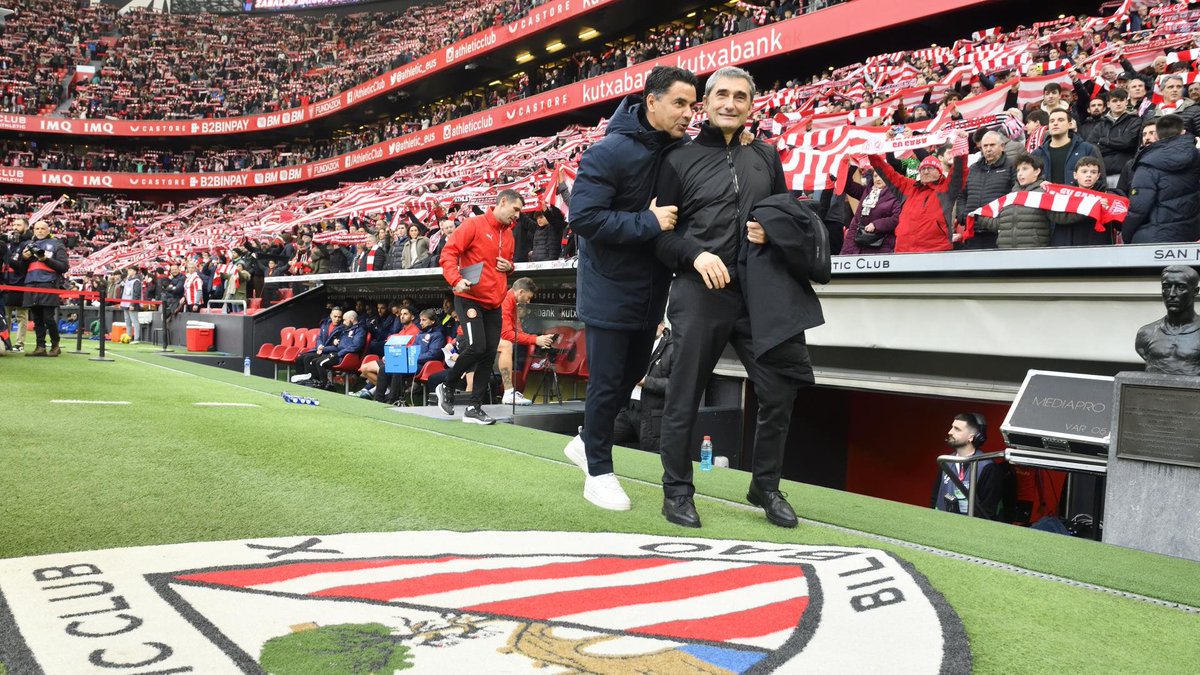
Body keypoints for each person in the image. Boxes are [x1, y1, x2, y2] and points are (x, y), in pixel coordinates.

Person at [653, 66, 822, 529]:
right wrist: (694, 255)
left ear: (752, 105)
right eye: (721, 95)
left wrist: (772, 230)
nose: (730, 103)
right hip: (698, 290)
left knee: (778, 391)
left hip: (760, 292)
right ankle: (677, 490)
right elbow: (660, 238)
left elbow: (787, 217)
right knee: (683, 394)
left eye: (740, 97)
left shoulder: (766, 157)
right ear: (704, 104)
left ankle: (765, 486)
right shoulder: (675, 160)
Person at [561, 65, 697, 511]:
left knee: (629, 374)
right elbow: (582, 218)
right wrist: (648, 221)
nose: (688, 114)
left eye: (692, 106)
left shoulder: (679, 150)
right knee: (606, 381)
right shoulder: (609, 152)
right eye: (679, 103)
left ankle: (585, 441)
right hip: (609, 288)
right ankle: (597, 470)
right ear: (651, 101)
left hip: (650, 289)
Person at [437, 189, 522, 424]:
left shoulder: (510, 236)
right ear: (502, 202)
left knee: (487, 355)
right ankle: (447, 385)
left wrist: (511, 268)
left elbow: (507, 265)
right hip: (469, 298)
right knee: (477, 347)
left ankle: (474, 408)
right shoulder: (473, 225)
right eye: (515, 210)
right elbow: (448, 254)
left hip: (494, 303)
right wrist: (456, 280)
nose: (517, 216)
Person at [866, 147, 966, 253]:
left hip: (936, 251)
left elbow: (958, 173)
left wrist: (961, 148)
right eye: (923, 168)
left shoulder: (946, 189)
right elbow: (888, 173)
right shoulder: (909, 187)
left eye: (930, 168)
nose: (926, 172)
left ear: (939, 172)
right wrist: (872, 155)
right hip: (904, 250)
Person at [1123, 114, 1200, 244]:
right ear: (1183, 132)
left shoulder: (1147, 163)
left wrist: (1126, 234)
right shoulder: (1196, 157)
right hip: (1191, 235)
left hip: (1155, 237)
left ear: (1157, 136)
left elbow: (1139, 208)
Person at [933, 413, 1011, 520]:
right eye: (952, 427)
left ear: (971, 437)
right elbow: (935, 498)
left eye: (957, 429)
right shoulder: (945, 461)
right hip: (940, 523)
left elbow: (988, 512)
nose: (950, 432)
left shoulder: (987, 467)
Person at [12, 220, 69, 357]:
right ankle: (40, 347)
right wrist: (24, 259)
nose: (40, 231)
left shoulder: (57, 244)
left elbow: (64, 267)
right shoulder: (28, 245)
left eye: (43, 228)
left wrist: (45, 260)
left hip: (48, 283)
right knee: (36, 318)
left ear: (48, 230)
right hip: (31, 283)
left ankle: (55, 345)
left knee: (48, 318)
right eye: (37, 228)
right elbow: (21, 270)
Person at [498, 277, 556, 406]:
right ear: (521, 292)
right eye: (528, 298)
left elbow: (518, 332)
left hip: (489, 339)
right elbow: (506, 334)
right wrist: (535, 340)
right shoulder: (505, 301)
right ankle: (508, 393)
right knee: (507, 344)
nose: (529, 302)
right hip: (478, 337)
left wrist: (541, 339)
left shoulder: (514, 303)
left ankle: (509, 392)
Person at [956, 130, 1016, 250]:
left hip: (997, 233)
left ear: (1002, 146)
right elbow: (962, 195)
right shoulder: (973, 169)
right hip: (973, 232)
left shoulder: (1012, 166)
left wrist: (1001, 220)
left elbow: (1015, 196)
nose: (988, 149)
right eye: (985, 146)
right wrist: (962, 215)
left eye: (992, 145)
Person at [1136, 265, 1200, 376]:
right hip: (1155, 392)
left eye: (1181, 287)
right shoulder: (1146, 333)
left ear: (1195, 291)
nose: (1172, 294)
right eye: (1166, 287)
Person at [1048, 156, 1114, 246]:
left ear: (1098, 176)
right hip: (1068, 248)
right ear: (1075, 175)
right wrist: (1091, 206)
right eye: (1084, 171)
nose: (1089, 175)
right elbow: (1056, 217)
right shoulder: (1064, 195)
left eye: (1093, 172)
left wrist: (1107, 207)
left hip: (1097, 248)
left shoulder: (1108, 196)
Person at [837, 164, 901, 255]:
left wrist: (876, 225)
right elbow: (846, 184)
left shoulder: (896, 195)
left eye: (882, 176)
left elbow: (897, 218)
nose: (878, 179)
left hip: (879, 245)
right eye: (875, 176)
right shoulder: (867, 191)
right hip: (855, 244)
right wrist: (854, 164)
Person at [993, 154, 1053, 249]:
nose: (1020, 173)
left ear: (1037, 171)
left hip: (1034, 253)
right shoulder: (1010, 197)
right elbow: (1001, 224)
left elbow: (1060, 217)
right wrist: (976, 216)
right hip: (1006, 253)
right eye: (1018, 170)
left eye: (1025, 169)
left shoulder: (1044, 193)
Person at [1031, 109, 1104, 187]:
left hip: (1079, 198)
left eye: (1060, 120)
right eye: (1052, 121)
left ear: (1070, 125)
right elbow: (1029, 182)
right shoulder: (1037, 154)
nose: (1055, 123)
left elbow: (1100, 181)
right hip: (1047, 198)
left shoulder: (1087, 149)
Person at [1087, 88, 1141, 189]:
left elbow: (1127, 142)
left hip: (1123, 174)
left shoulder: (1135, 121)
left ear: (1126, 102)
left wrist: (1103, 141)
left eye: (1121, 100)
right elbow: (1091, 147)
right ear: (1108, 104)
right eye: (1115, 101)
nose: (1118, 103)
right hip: (1102, 175)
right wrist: (1118, 146)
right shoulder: (1101, 124)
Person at [306, 309, 364, 389]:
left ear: (352, 319)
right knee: (313, 361)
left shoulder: (359, 331)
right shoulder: (346, 330)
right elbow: (338, 344)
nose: (343, 322)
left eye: (344, 320)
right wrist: (331, 344)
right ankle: (315, 382)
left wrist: (340, 353)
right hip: (337, 353)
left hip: (345, 357)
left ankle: (325, 385)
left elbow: (356, 347)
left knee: (320, 363)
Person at [291, 307, 344, 384]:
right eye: (335, 316)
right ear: (331, 315)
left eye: (339, 317)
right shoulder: (325, 325)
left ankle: (311, 381)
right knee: (299, 359)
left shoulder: (342, 329)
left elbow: (338, 347)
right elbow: (319, 338)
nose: (337, 319)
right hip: (320, 350)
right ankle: (301, 380)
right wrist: (319, 346)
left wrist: (323, 349)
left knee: (307, 358)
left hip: (329, 353)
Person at [3, 217, 31, 351]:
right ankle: (5, 341)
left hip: (22, 282)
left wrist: (7, 257)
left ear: (26, 226)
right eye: (14, 224)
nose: (15, 227)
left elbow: (23, 267)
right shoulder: (9, 243)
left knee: (21, 315)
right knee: (5, 314)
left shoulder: (28, 243)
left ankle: (20, 343)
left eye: (18, 225)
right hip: (7, 282)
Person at [119, 267, 143, 342]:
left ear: (135, 272)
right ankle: (128, 336)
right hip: (125, 303)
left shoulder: (137, 281)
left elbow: (136, 294)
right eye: (128, 270)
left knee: (134, 321)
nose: (129, 271)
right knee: (127, 321)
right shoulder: (127, 280)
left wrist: (132, 304)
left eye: (130, 270)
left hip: (132, 304)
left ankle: (136, 338)